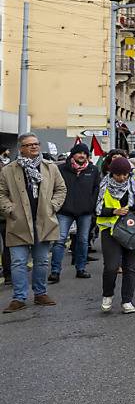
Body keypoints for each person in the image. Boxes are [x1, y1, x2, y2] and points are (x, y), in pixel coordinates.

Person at [0, 133, 67, 313]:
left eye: (36, 144)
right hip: (18, 223)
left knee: (42, 261)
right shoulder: (8, 170)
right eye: (29, 145)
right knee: (18, 262)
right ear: (21, 148)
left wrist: (53, 207)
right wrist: (10, 210)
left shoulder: (50, 167)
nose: (34, 147)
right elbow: (1, 193)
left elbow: (61, 189)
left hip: (43, 221)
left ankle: (40, 293)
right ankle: (19, 297)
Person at [96, 156, 135, 313]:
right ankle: (107, 295)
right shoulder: (103, 185)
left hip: (132, 229)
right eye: (118, 175)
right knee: (111, 267)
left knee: (130, 267)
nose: (122, 178)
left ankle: (127, 301)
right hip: (110, 229)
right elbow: (96, 208)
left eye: (125, 174)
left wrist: (131, 208)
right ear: (111, 173)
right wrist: (114, 211)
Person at [50, 143, 100, 282]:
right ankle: (55, 271)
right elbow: (54, 188)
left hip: (85, 212)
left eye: (84, 154)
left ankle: (81, 268)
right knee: (59, 241)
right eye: (79, 153)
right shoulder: (61, 169)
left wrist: (91, 204)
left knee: (83, 241)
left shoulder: (93, 170)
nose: (82, 156)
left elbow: (96, 189)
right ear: (73, 155)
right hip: (64, 211)